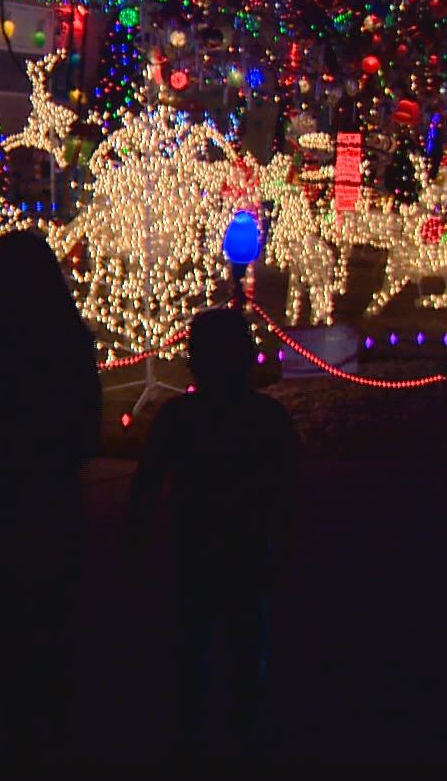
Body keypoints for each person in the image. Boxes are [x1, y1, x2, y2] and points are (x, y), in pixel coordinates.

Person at [0, 230, 101, 762]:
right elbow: (86, 425)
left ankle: (9, 721)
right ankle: (46, 724)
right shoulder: (63, 337)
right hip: (46, 491)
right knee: (47, 613)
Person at [129, 308, 298, 760]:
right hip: (241, 548)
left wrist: (136, 542)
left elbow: (147, 483)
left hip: (197, 547)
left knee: (195, 643)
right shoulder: (267, 418)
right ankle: (239, 734)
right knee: (239, 646)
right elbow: (289, 490)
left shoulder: (179, 417)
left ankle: (197, 734)